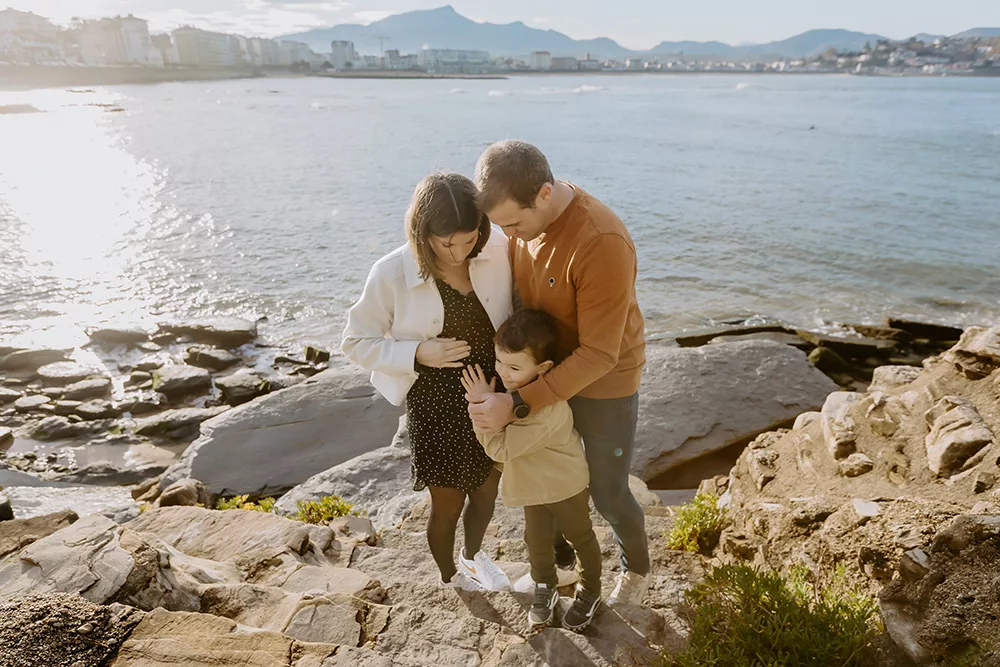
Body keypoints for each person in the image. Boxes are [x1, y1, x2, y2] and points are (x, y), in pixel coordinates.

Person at [468, 141, 651, 606]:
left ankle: (637, 570)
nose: (508, 234)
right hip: (545, 371)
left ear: (545, 194)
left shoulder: (600, 241)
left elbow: (599, 354)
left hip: (604, 381)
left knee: (608, 493)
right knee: (545, 482)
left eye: (512, 223)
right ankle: (562, 570)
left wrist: (518, 402)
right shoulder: (522, 227)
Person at [342, 173, 513, 592]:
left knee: (488, 489)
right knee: (449, 503)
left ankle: (472, 559)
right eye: (445, 243)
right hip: (436, 405)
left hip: (491, 397)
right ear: (422, 233)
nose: (458, 252)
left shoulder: (497, 251)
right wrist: (416, 353)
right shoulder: (390, 273)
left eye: (468, 239)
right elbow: (355, 342)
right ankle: (450, 577)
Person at [461, 308, 602, 632]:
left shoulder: (548, 411)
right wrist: (492, 402)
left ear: (544, 368)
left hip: (565, 485)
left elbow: (502, 448)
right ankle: (544, 586)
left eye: (513, 366)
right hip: (533, 488)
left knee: (580, 536)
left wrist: (480, 405)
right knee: (536, 540)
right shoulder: (513, 394)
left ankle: (590, 589)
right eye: (499, 362)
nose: (503, 373)